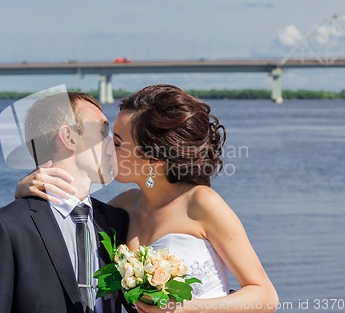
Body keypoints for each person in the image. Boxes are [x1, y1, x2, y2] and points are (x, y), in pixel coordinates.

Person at [15, 84, 279, 313]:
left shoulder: (201, 203)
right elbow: (65, 225)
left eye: (117, 142)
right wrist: (24, 191)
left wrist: (189, 308)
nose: (106, 147)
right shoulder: (122, 208)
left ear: (151, 157)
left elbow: (266, 297)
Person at [0, 92, 134, 313]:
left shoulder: (116, 222)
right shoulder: (8, 228)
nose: (113, 144)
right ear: (69, 137)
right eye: (103, 131)